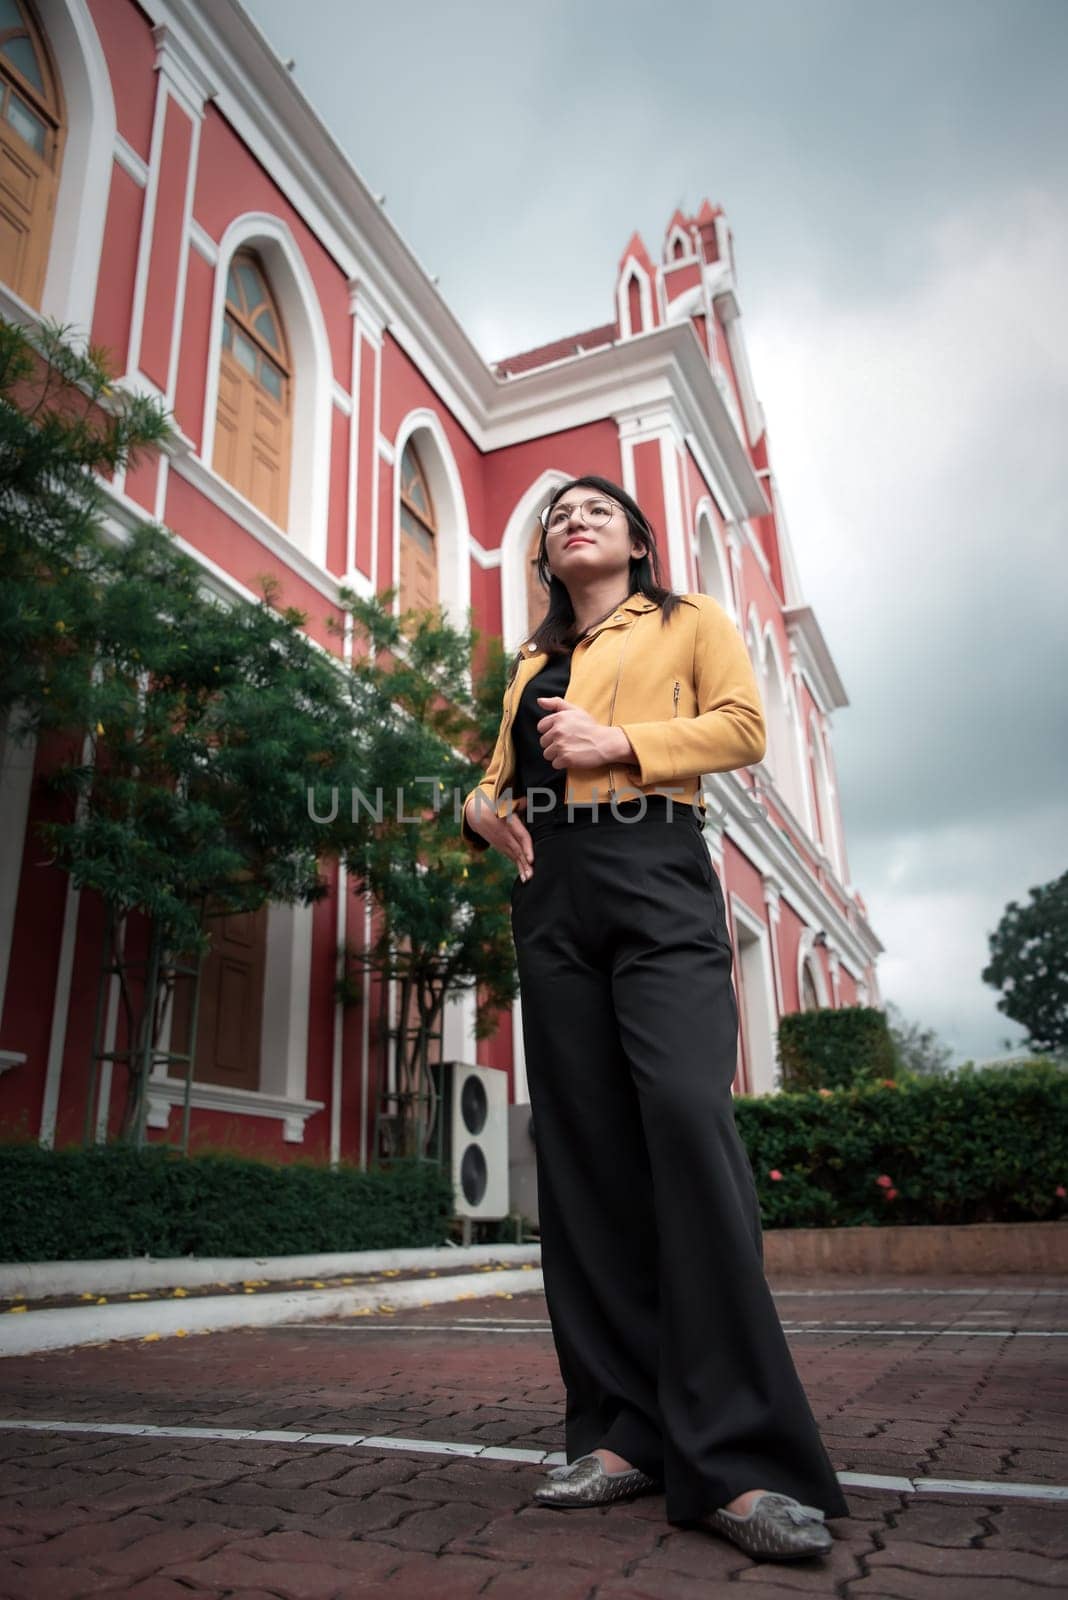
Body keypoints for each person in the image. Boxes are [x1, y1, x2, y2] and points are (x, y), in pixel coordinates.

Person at [461, 476, 849, 1563]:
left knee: (685, 1117)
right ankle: (624, 1431)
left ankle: (741, 1456)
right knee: (582, 1156)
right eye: (558, 514)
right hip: (552, 902)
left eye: (597, 509)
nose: (572, 518)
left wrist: (618, 745)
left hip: (655, 870)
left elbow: (744, 727)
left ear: (637, 538)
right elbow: (490, 783)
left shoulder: (688, 622)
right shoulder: (532, 667)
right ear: (545, 555)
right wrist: (483, 815)